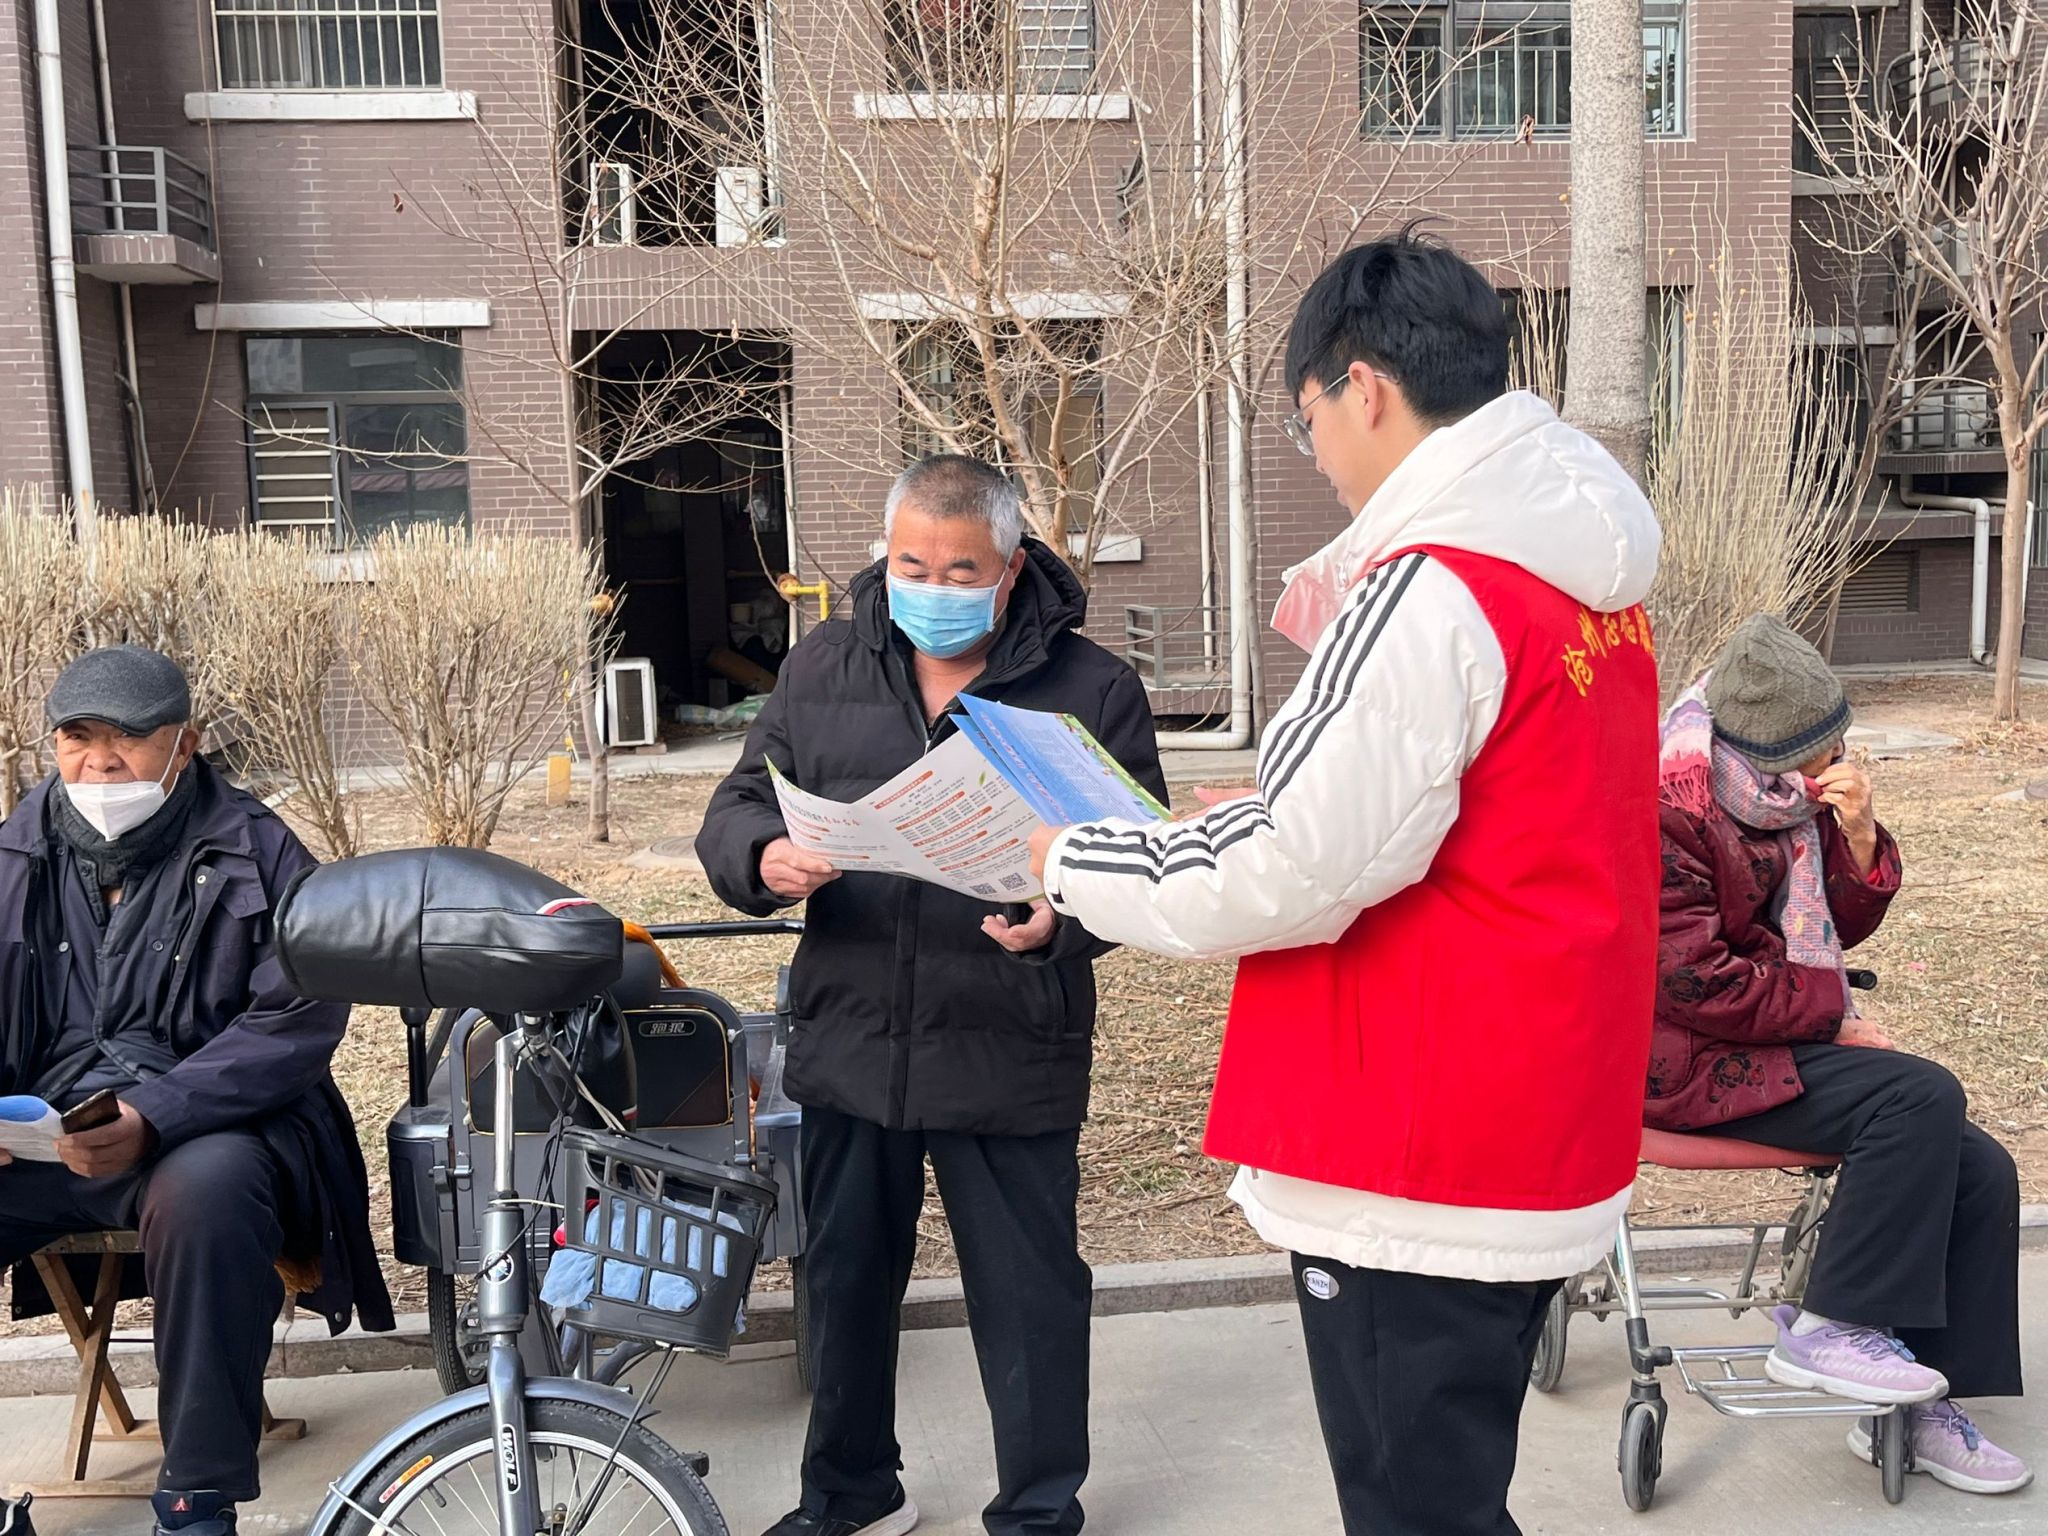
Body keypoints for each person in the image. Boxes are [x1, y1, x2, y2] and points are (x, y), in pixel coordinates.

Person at [1026, 229, 1665, 1534]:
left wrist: (1067, 856)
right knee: (1452, 1498)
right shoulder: (1578, 579)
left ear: (1361, 387)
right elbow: (1485, 813)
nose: (1311, 449)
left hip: (1412, 1142)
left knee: (1412, 1510)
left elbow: (1294, 869)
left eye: (1305, 415)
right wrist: (1282, 806)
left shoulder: (1430, 585)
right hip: (1530, 1111)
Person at [696, 455, 1165, 1536]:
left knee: (1029, 1294)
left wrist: (1063, 918)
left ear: (1010, 571)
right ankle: (848, 1493)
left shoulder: (1090, 688)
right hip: (854, 1033)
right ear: (886, 555)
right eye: (911, 566)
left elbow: (1139, 861)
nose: (932, 588)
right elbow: (737, 804)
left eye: (960, 572)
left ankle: (1037, 1510)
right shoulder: (824, 664)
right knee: (846, 1282)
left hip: (1009, 1040)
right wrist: (761, 854)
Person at [0, 646, 392, 1536]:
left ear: (186, 742)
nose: (100, 762)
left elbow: (298, 1018)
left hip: (210, 1125)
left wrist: (155, 1114)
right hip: (43, 1131)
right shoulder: (14, 853)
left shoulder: (260, 849)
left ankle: (196, 1499)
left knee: (207, 1195)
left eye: (128, 738)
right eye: (77, 737)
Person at [1651, 613, 2029, 1494]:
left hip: (1772, 1037)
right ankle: (1832, 1324)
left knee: (1982, 1169)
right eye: (1823, 748)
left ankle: (1920, 1406)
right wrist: (1833, 1018)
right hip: (1683, 1062)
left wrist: (1860, 839)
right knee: (1919, 1096)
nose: (1839, 758)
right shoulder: (1672, 809)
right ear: (1766, 744)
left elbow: (1836, 929)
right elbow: (1693, 983)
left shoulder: (1786, 796)